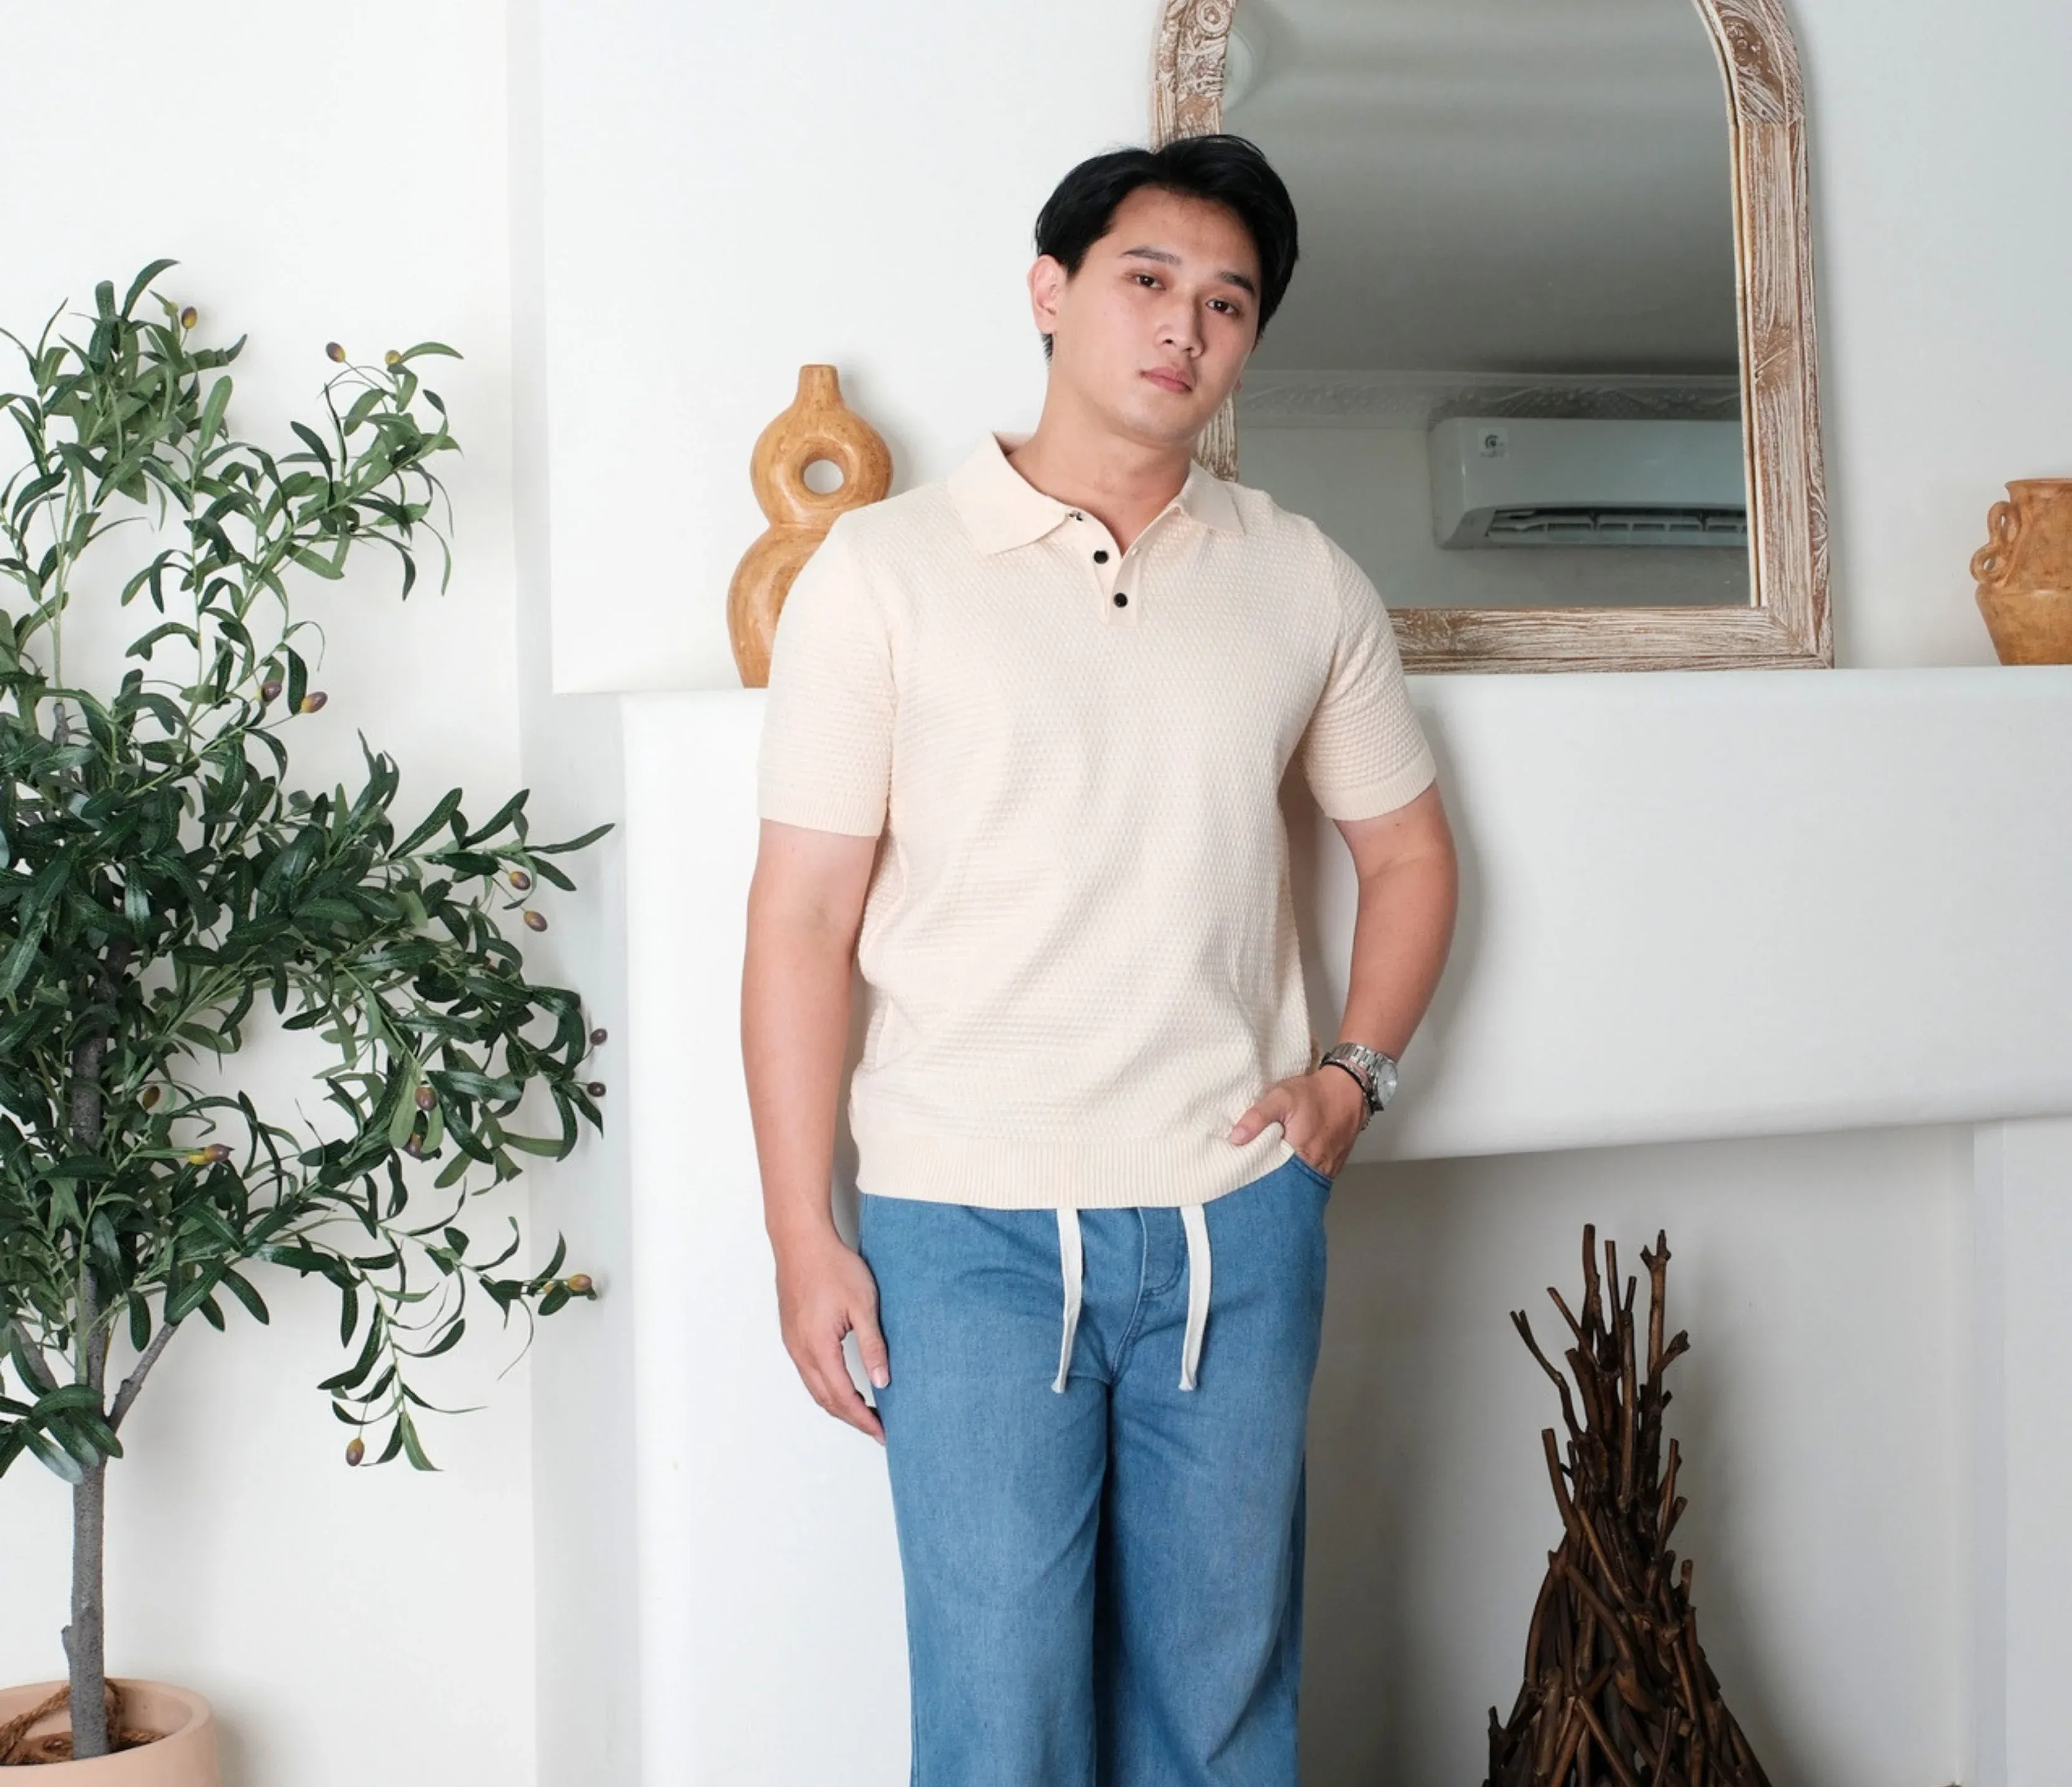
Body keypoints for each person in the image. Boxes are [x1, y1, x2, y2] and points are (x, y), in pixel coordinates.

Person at [741, 133, 1458, 1785]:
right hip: (964, 1226)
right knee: (1003, 1722)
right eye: (1148, 279)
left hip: (1238, 1214)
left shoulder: (1301, 577)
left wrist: (1352, 1077)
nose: (1184, 326)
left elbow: (1411, 854)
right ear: (1051, 292)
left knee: (1221, 1710)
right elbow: (800, 919)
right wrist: (798, 1231)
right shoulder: (882, 572)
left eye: (1229, 302)